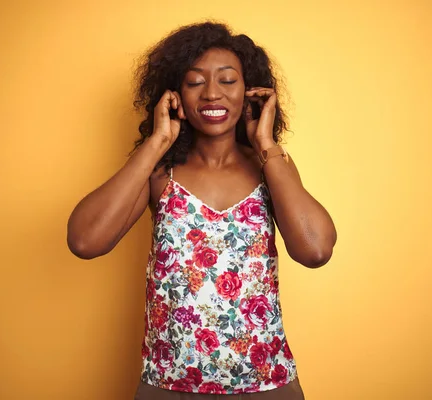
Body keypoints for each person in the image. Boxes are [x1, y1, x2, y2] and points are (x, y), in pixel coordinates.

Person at [67, 21, 337, 399]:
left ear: (249, 92)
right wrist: (156, 142)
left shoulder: (271, 168)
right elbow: (85, 240)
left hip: (267, 386)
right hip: (169, 386)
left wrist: (266, 141)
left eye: (227, 81)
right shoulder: (160, 174)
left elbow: (315, 250)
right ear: (174, 94)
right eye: (195, 82)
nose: (212, 94)